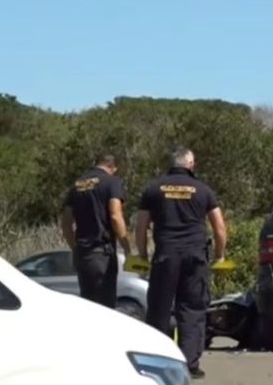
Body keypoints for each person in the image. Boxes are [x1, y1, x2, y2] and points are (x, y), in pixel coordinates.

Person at [135, 146, 227, 379]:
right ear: (190, 164)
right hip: (195, 258)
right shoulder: (203, 190)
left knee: (158, 309)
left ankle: (157, 362)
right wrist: (220, 256)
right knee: (192, 310)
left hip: (165, 255)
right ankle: (190, 364)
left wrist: (143, 255)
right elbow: (219, 228)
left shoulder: (153, 188)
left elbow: (141, 226)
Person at [60, 154, 130, 309]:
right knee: (105, 308)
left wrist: (75, 248)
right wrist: (126, 248)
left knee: (88, 306)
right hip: (102, 254)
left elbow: (66, 223)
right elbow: (115, 216)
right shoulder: (112, 182)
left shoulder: (77, 185)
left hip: (83, 255)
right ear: (113, 167)